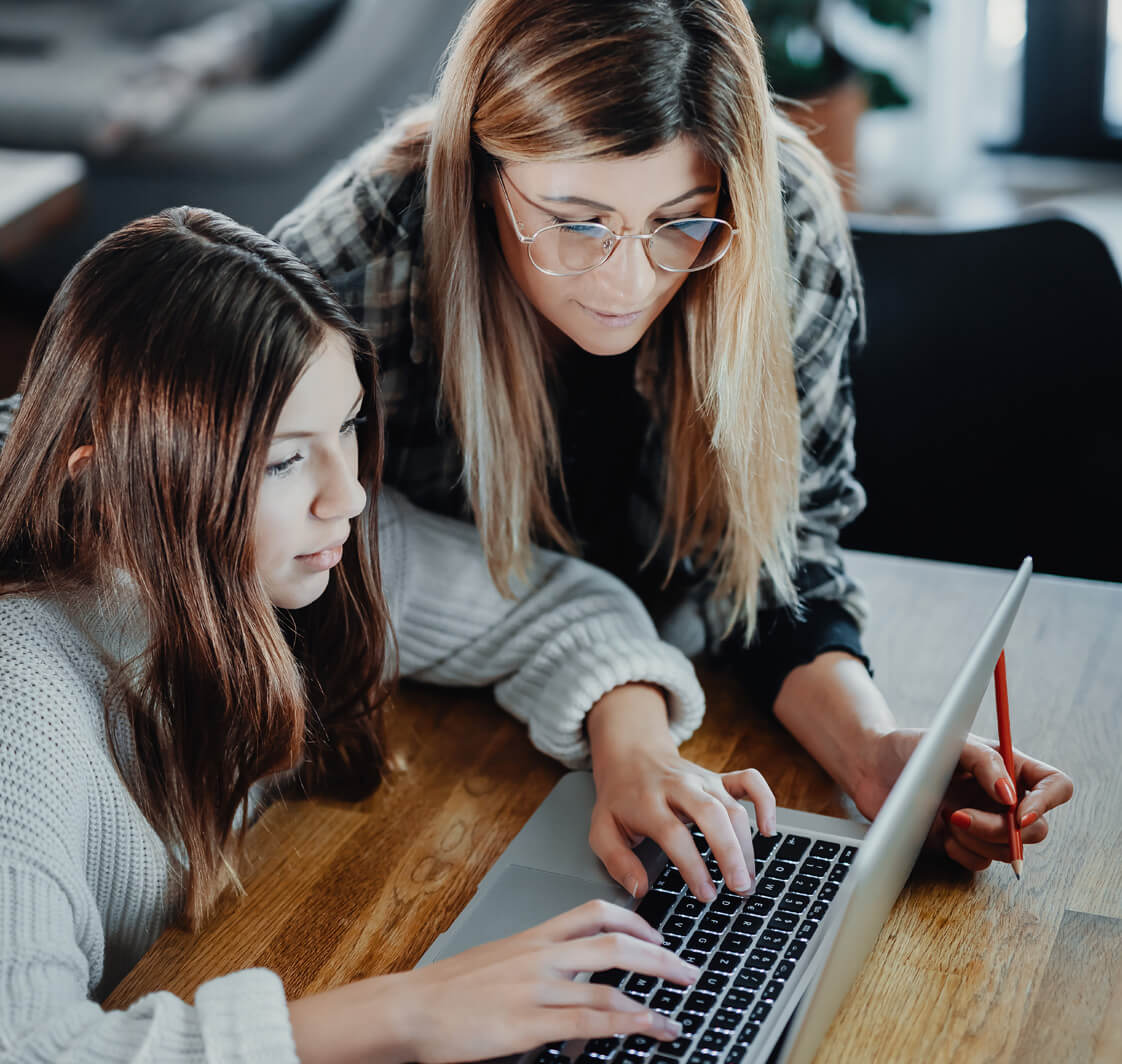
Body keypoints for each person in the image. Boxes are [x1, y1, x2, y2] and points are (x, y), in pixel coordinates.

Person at [271, 0, 1073, 879]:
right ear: (480, 170)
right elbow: (267, 563)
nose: (629, 280)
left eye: (681, 221)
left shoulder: (782, 225)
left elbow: (776, 565)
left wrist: (875, 754)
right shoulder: (348, 268)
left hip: (682, 706)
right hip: (410, 734)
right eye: (577, 222)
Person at [0, 208, 782, 1062]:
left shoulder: (295, 556)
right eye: (281, 461)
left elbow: (561, 605)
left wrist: (635, 749)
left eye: (345, 428)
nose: (350, 496)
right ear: (108, 486)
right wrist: (414, 1012)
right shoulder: (21, 697)